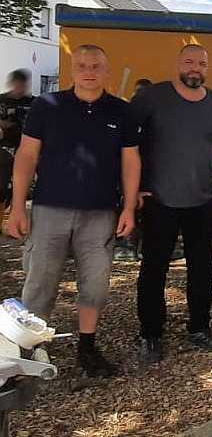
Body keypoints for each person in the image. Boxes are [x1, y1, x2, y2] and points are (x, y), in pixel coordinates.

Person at [4, 45, 138, 378]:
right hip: (50, 208)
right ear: (72, 68)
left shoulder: (121, 111)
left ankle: (87, 348)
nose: (88, 72)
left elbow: (130, 161)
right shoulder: (47, 106)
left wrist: (129, 207)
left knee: (95, 285)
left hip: (100, 212)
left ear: (106, 70)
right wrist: (17, 206)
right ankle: (30, 351)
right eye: (82, 65)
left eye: (95, 66)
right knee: (40, 282)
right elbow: (26, 156)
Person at [130, 44, 212, 363]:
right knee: (154, 268)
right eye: (189, 62)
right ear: (177, 64)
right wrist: (132, 188)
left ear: (207, 68)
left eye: (201, 64)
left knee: (201, 268)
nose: (195, 68)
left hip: (202, 200)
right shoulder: (152, 98)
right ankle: (151, 333)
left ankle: (200, 328)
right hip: (159, 199)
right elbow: (127, 142)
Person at [113, 78, 154, 262]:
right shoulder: (124, 118)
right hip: (125, 174)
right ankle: (126, 242)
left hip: (151, 175)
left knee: (152, 209)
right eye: (138, 94)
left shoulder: (158, 120)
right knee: (125, 204)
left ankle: (148, 244)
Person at [0, 69, 34, 209]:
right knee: (2, 187)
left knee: (23, 187)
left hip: (27, 147)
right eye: (17, 85)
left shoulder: (33, 102)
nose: (20, 88)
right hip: (5, 148)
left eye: (23, 85)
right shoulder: (2, 100)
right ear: (12, 84)